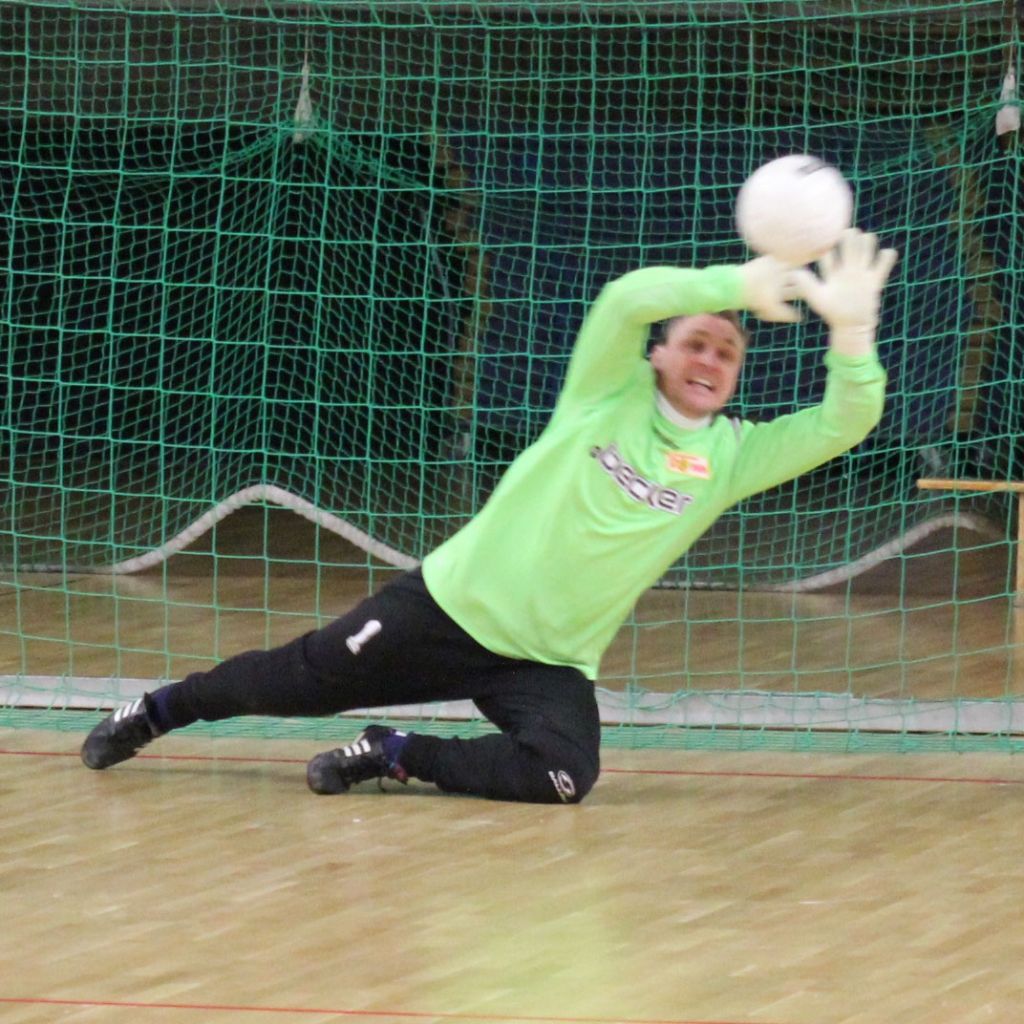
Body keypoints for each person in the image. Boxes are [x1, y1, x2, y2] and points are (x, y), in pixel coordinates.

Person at [81, 228, 897, 804]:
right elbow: (625, 298)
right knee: (297, 680)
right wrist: (735, 288)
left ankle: (395, 755)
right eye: (696, 342)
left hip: (546, 660)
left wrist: (853, 337)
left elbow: (843, 422)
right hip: (447, 606)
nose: (710, 359)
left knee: (566, 775)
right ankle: (156, 711)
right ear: (658, 354)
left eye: (727, 352)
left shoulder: (731, 457)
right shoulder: (602, 395)